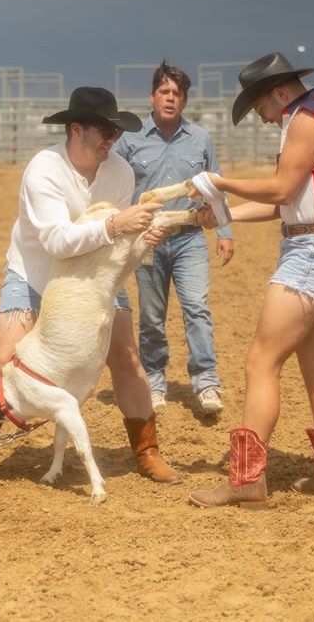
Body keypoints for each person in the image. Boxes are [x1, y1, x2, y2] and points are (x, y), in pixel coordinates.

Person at [0, 86, 182, 486]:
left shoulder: (120, 173)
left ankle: (147, 451)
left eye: (116, 132)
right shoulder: (44, 169)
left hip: (93, 280)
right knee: (5, 359)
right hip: (34, 274)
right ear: (77, 130)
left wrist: (138, 241)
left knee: (125, 358)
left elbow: (119, 241)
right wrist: (113, 226)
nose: (113, 140)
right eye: (105, 132)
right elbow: (57, 241)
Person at [187, 52, 314, 508]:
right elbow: (288, 203)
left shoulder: (304, 121)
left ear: (279, 93)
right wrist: (223, 217)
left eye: (260, 107)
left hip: (312, 252)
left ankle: (247, 480)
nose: (262, 118)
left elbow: (281, 190)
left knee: (260, 361)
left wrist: (220, 183)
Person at [114, 60, 234, 415]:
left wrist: (224, 230)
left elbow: (216, 187)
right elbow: (117, 188)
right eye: (164, 91)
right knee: (152, 317)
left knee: (197, 307)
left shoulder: (200, 139)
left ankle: (206, 381)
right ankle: (154, 380)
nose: (170, 98)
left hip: (189, 237)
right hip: (148, 241)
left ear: (185, 100)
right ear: (152, 97)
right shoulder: (129, 141)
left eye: (177, 93)